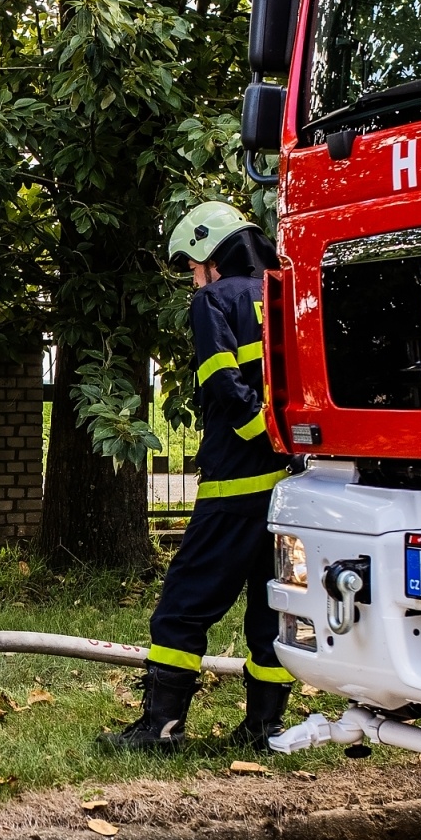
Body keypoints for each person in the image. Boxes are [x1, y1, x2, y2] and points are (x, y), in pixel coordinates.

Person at [101, 202, 293, 753]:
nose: (193, 278)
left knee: (182, 608)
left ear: (212, 253)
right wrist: (286, 445)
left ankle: (160, 729)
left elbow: (222, 382)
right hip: (291, 490)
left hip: (235, 487)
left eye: (191, 265)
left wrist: (259, 432)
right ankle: (264, 731)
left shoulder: (214, 300)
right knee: (272, 613)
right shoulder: (289, 293)